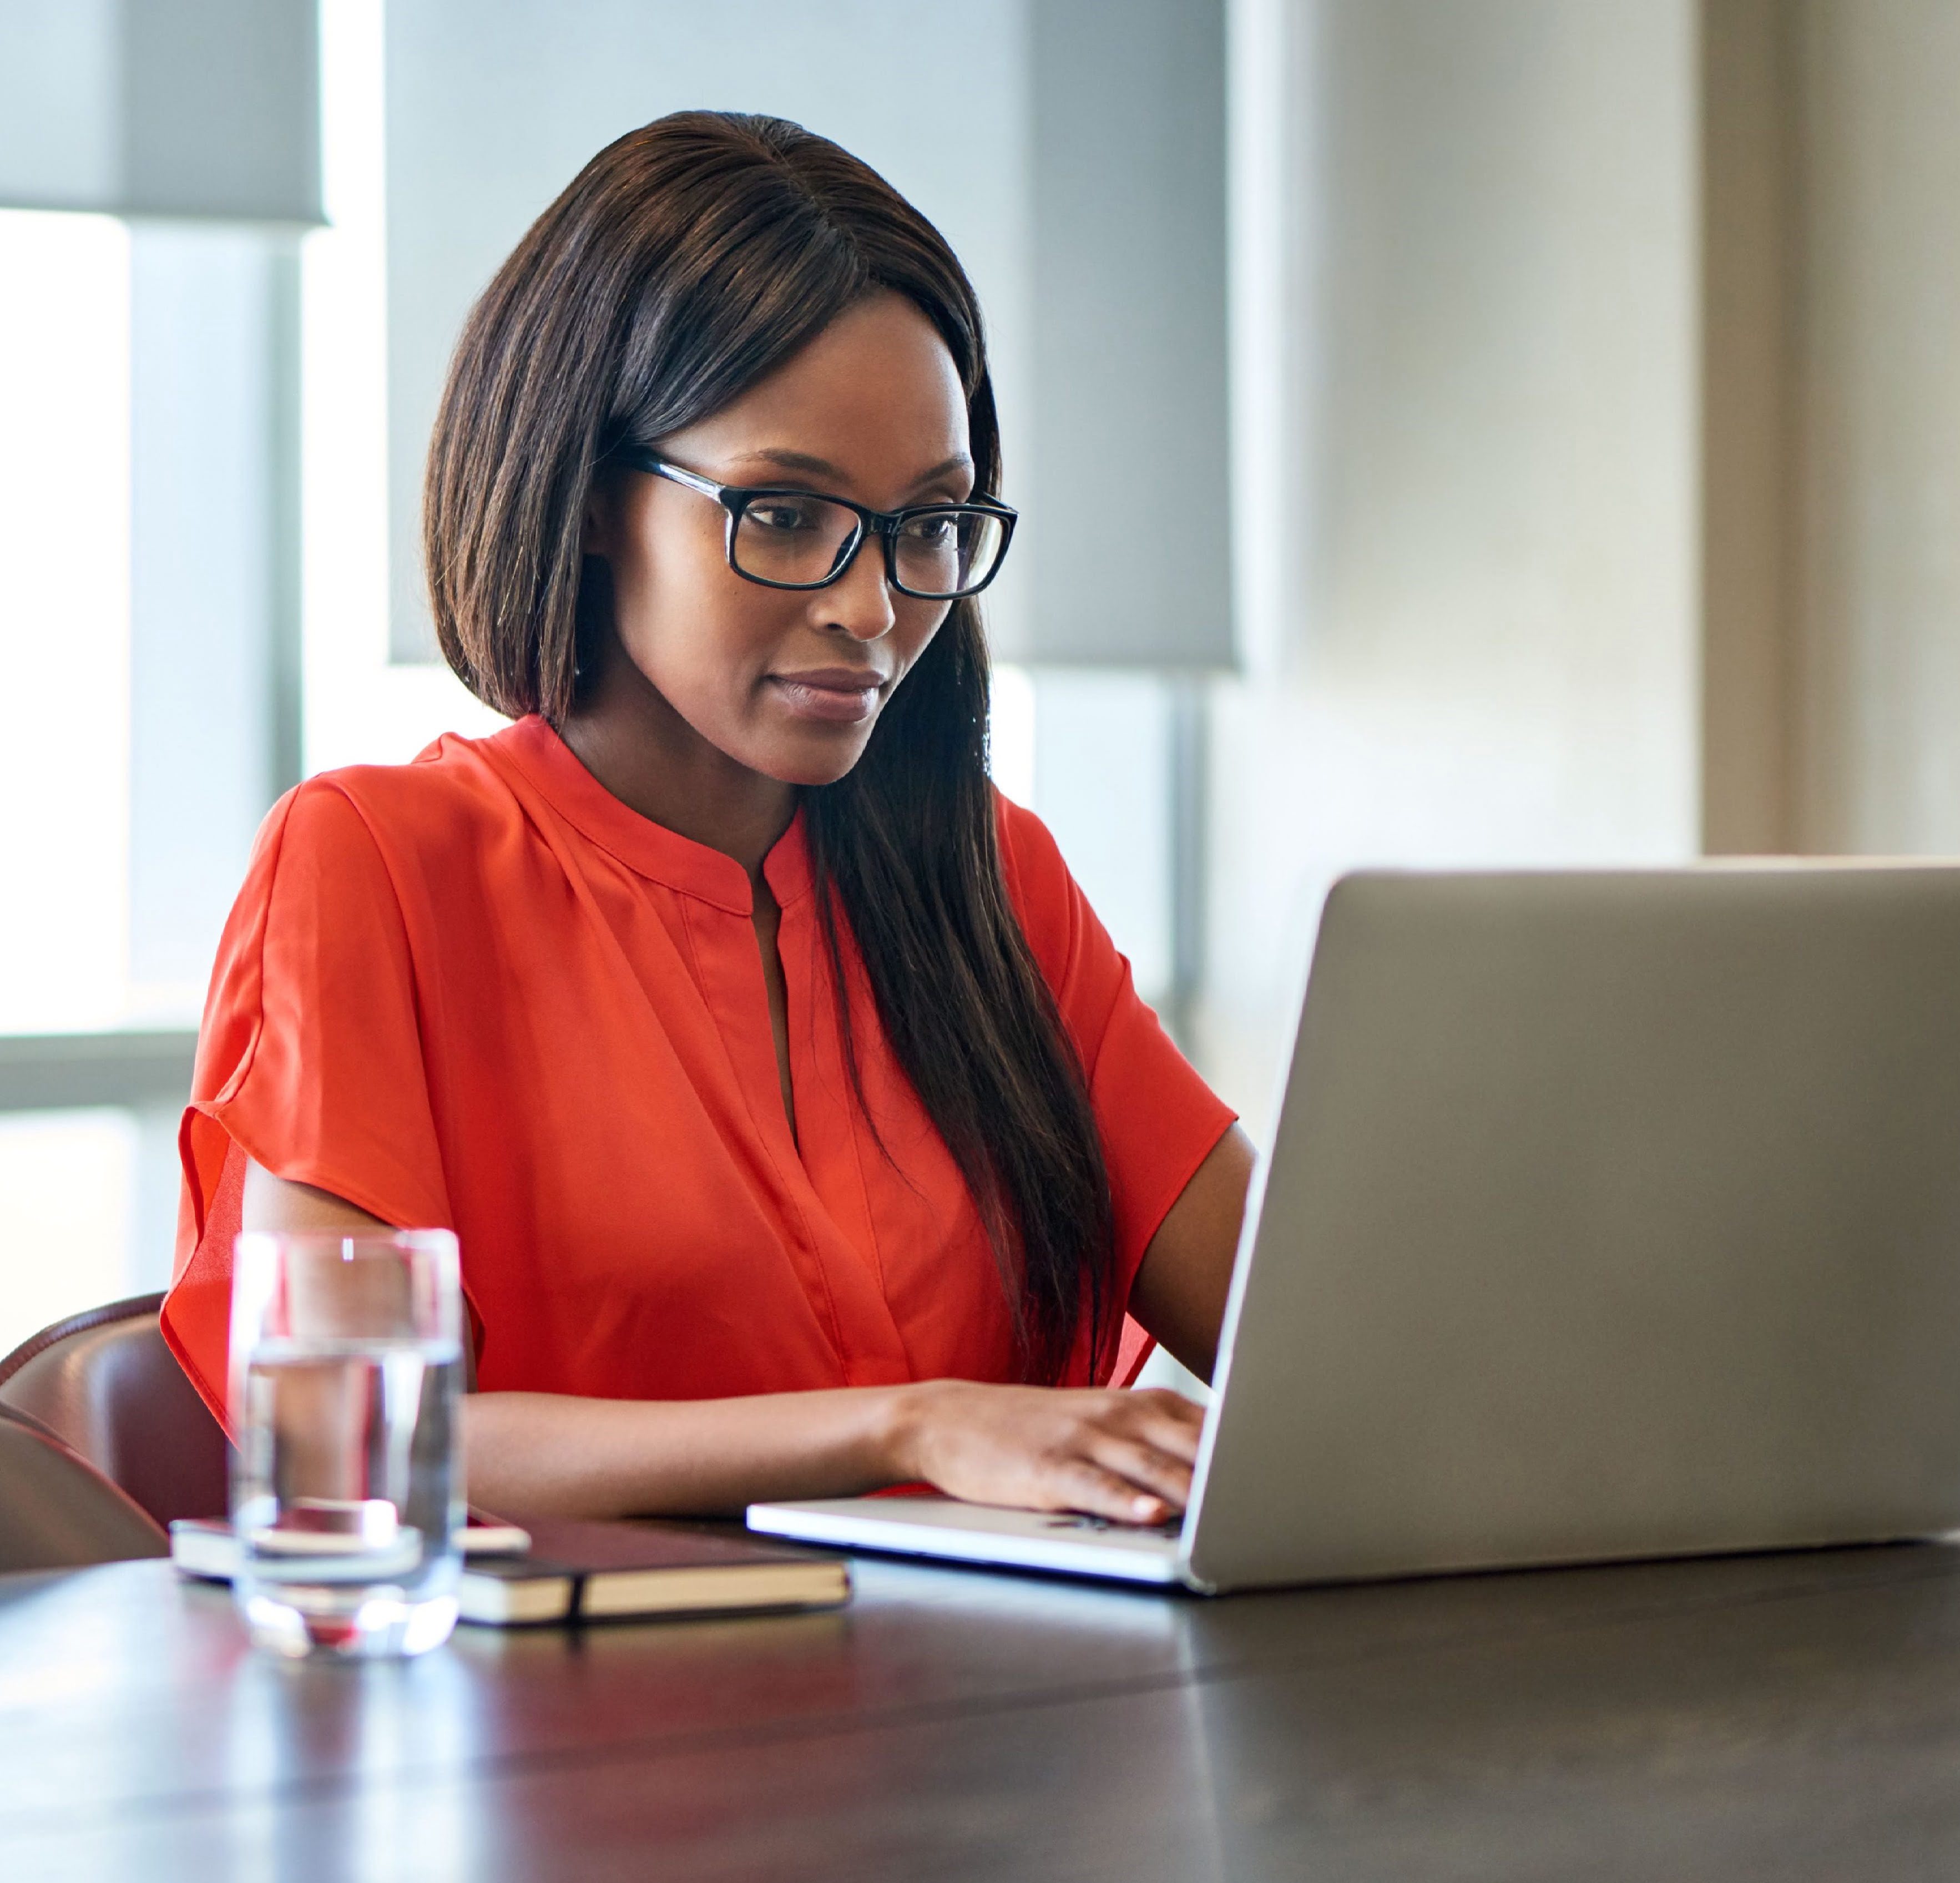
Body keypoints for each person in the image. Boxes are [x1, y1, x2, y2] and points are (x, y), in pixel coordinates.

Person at [160, 112, 1251, 1526]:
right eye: (788, 515)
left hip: (1006, 1715)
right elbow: (347, 1446)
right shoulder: (375, 865)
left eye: (929, 525)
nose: (872, 610)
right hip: (572, 1732)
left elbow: (1323, 1344)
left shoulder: (990, 877)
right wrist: (906, 1427)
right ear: (595, 495)